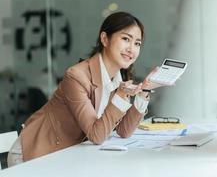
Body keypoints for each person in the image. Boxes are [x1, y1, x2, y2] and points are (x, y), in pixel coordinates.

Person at [7, 11, 163, 166]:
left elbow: (124, 131)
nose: (132, 49)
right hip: (34, 153)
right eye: (125, 39)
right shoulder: (76, 76)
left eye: (137, 43)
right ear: (104, 39)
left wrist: (144, 92)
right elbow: (97, 135)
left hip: (65, 153)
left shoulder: (118, 79)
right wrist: (121, 94)